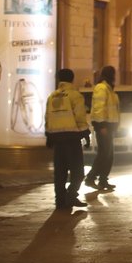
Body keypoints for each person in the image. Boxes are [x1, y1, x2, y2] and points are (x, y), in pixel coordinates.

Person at [44, 69, 90, 210]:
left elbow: (47, 117)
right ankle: (71, 196)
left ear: (59, 79)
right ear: (72, 79)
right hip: (72, 138)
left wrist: (49, 136)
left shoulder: (52, 97)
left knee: (60, 172)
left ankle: (60, 201)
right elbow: (80, 117)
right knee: (78, 172)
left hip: (57, 139)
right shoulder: (75, 96)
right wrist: (86, 134)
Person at [85, 65, 119, 191]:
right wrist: (101, 125)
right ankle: (91, 177)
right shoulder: (102, 88)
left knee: (108, 155)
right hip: (104, 126)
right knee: (104, 154)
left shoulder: (109, 89)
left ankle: (103, 180)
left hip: (109, 126)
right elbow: (99, 108)